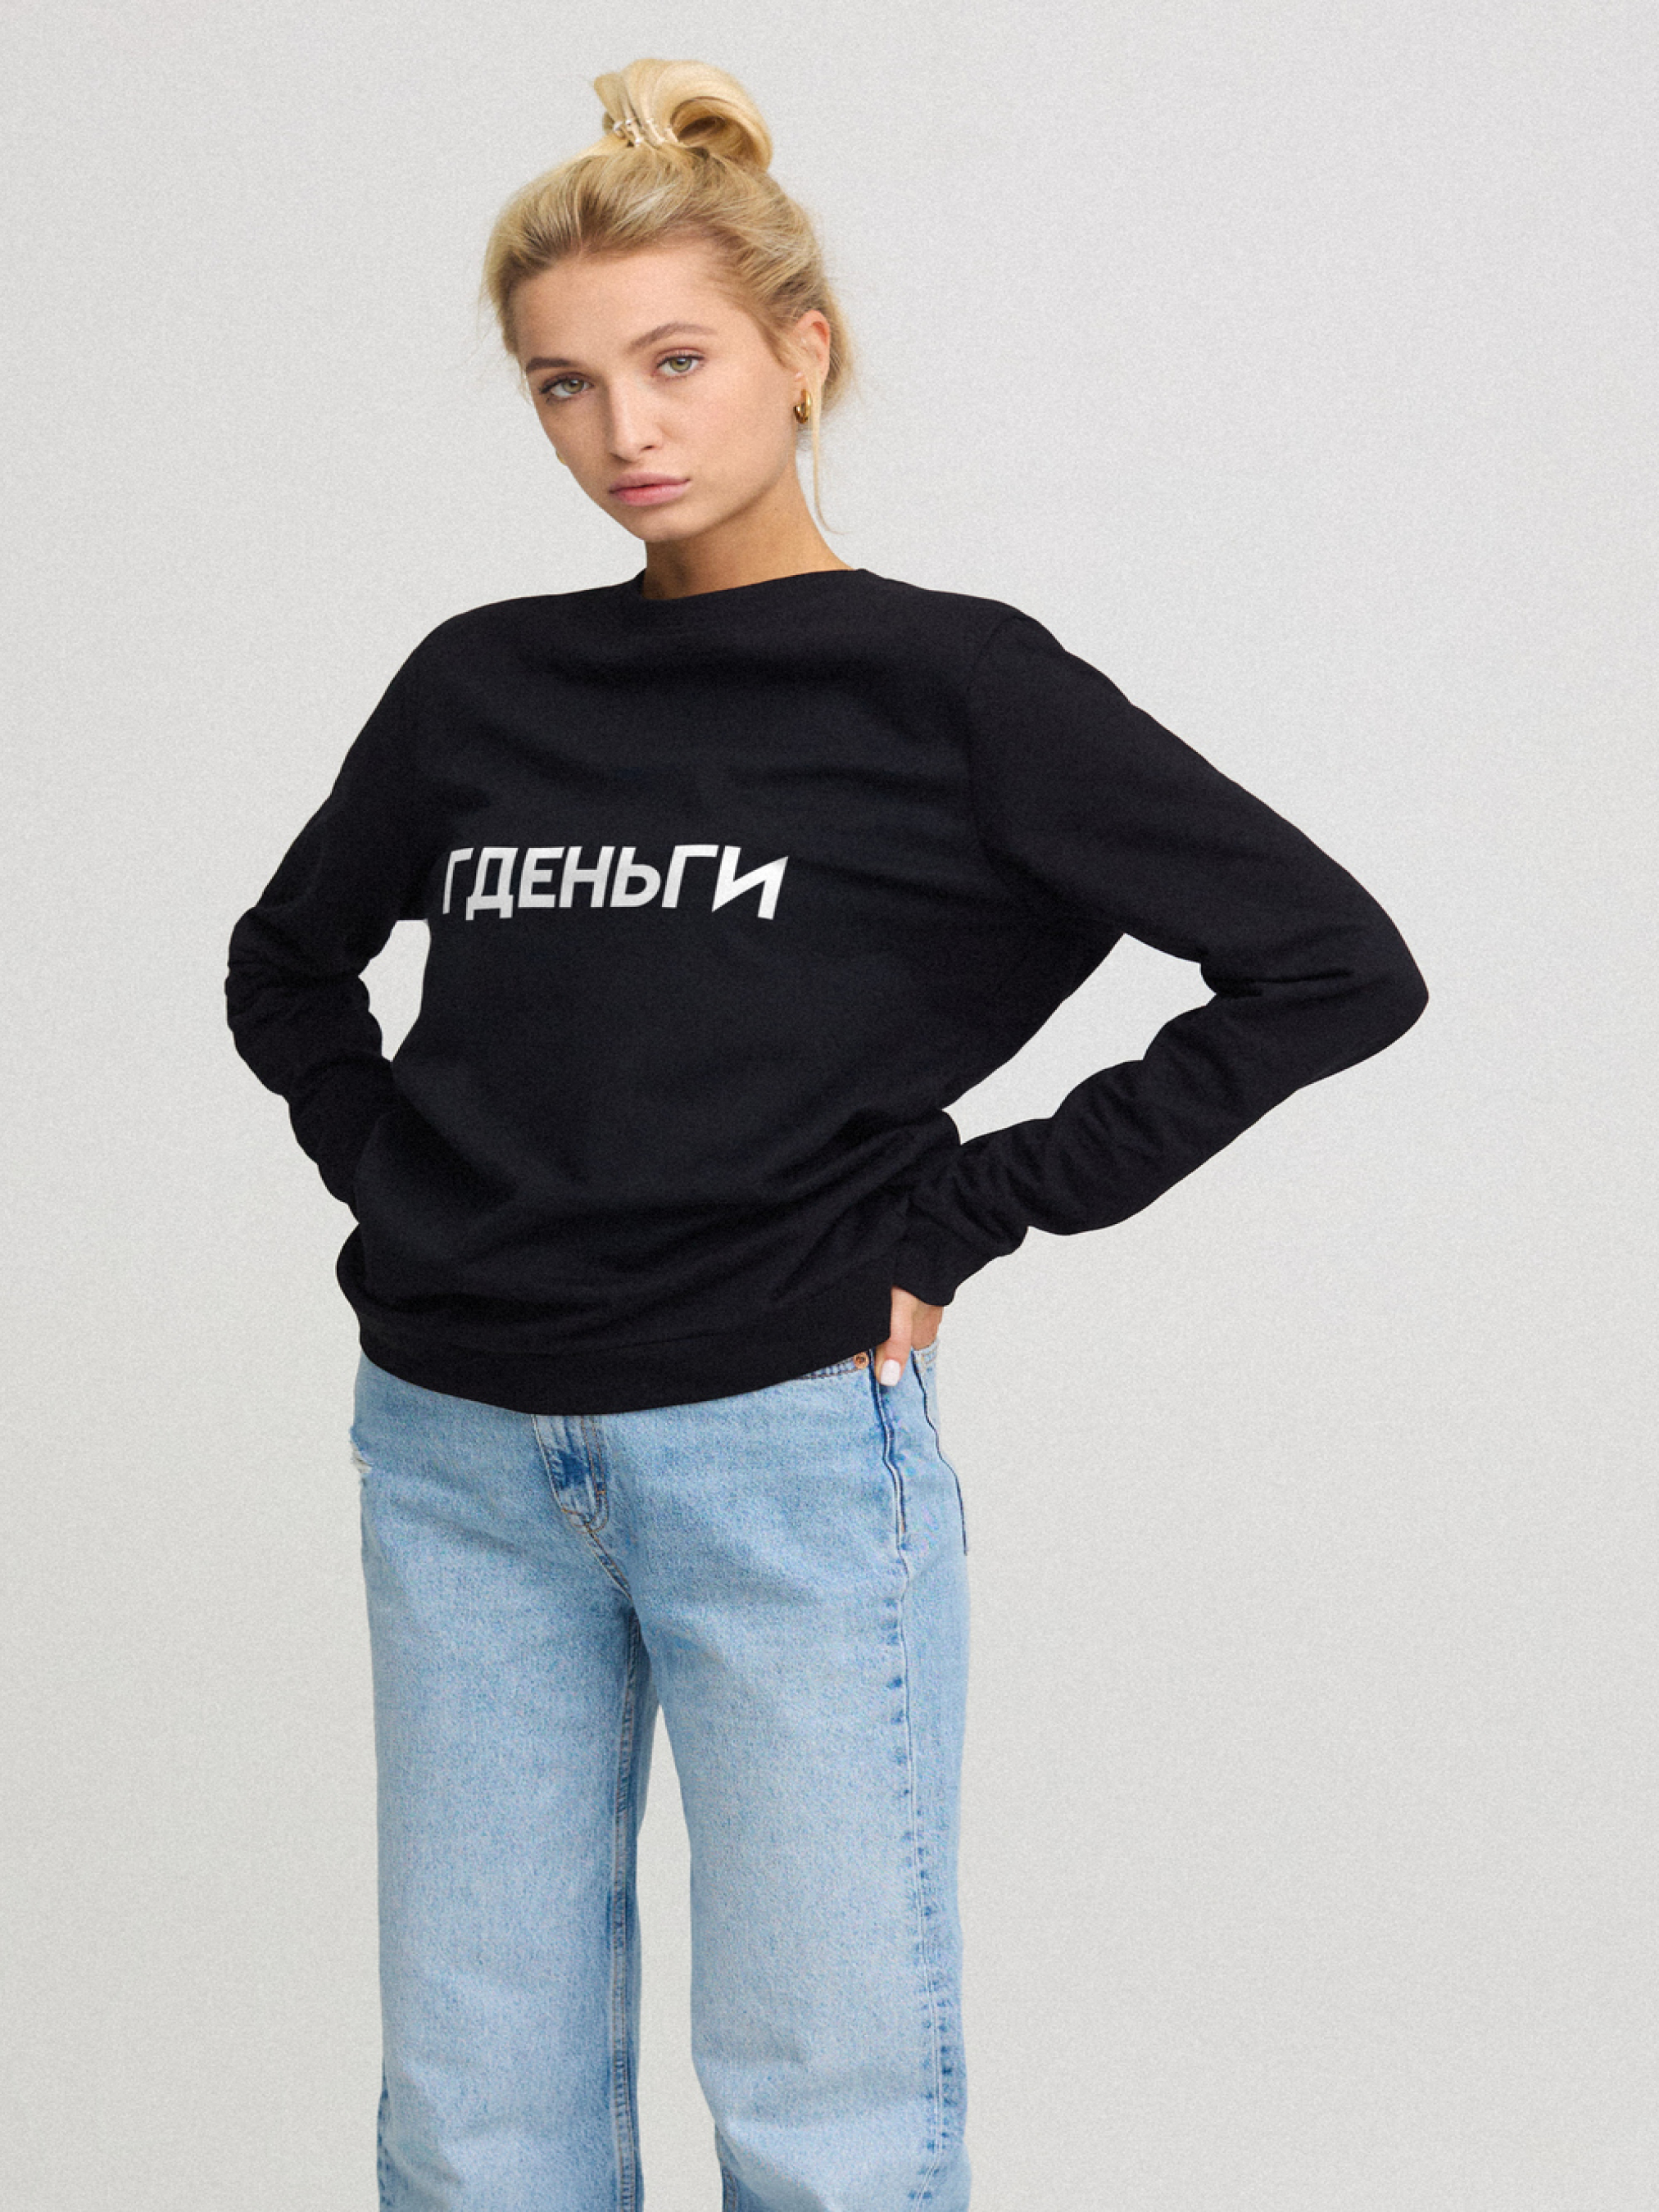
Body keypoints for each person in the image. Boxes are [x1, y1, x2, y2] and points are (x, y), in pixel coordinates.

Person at [223, 54, 1429, 2212]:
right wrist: (402, 1180)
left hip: (776, 1444)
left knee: (825, 2104)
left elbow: (1331, 963)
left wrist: (966, 1213)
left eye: (674, 361)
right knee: (475, 2110)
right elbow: (285, 965)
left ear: (803, 350)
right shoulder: (482, 682)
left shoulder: (950, 686)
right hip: (457, 1451)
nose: (625, 430)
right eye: (564, 385)